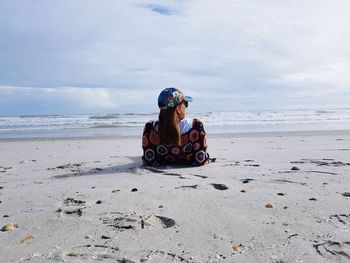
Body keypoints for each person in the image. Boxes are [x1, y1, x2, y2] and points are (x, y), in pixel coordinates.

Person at [142, 87, 210, 166]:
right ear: (178, 108)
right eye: (185, 104)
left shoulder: (150, 128)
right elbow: (201, 161)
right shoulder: (196, 127)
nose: (186, 107)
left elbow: (148, 161)